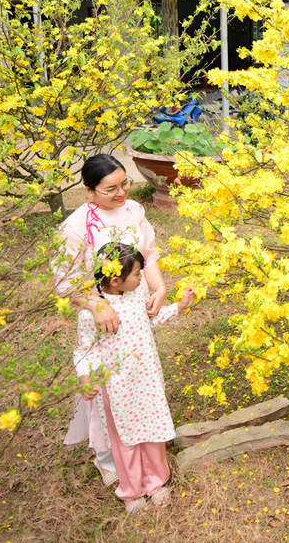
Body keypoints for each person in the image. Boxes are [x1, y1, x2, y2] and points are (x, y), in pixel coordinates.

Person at [57, 154, 168, 486]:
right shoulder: (75, 227)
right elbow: (66, 284)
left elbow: (147, 254)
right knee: (109, 388)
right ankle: (111, 458)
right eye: (110, 190)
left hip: (133, 308)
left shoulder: (134, 211)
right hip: (101, 315)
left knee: (141, 379)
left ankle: (149, 442)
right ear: (90, 191)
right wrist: (96, 305)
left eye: (124, 184)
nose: (120, 194)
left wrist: (159, 286)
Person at [73, 242, 195, 513]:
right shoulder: (94, 312)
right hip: (118, 387)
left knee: (151, 432)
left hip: (147, 379)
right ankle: (132, 490)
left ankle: (156, 482)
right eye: (138, 274)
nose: (143, 279)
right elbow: (85, 350)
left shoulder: (136, 295)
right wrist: (85, 378)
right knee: (125, 439)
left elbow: (151, 319)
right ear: (116, 279)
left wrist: (180, 306)